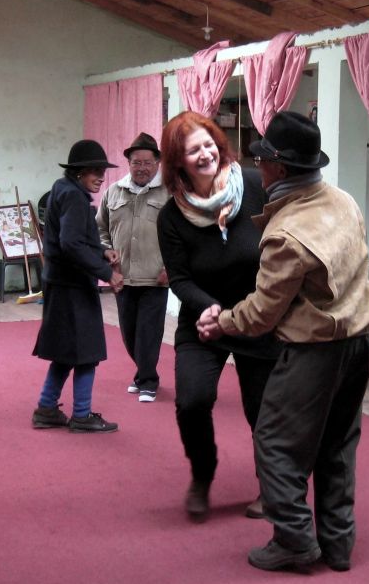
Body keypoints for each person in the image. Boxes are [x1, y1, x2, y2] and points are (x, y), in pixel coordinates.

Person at [197, 111, 369, 572]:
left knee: (276, 443)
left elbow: (262, 313)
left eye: (262, 162)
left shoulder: (285, 234)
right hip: (359, 342)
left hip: (313, 351)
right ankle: (338, 545)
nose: (258, 169)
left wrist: (224, 323)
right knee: (337, 444)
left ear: (276, 169)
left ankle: (295, 540)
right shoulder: (342, 201)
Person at [156, 111, 280, 522]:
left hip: (259, 317)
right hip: (205, 319)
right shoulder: (171, 216)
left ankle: (272, 486)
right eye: (194, 150)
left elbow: (283, 247)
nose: (206, 153)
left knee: (263, 409)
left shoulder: (256, 187)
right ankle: (202, 474)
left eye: (209, 143)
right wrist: (207, 307)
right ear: (178, 163)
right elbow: (179, 277)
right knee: (192, 401)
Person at [31, 140, 123, 433]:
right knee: (87, 351)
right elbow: (71, 243)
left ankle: (47, 408)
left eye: (101, 171)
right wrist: (106, 273)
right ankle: (81, 415)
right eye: (94, 171)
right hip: (72, 285)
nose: (100, 176)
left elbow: (72, 240)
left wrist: (100, 251)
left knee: (65, 350)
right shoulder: (73, 197)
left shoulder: (63, 189)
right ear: (78, 172)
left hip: (61, 282)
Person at [97, 132, 170, 403]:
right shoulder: (113, 192)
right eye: (136, 162)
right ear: (128, 163)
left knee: (149, 332)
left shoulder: (171, 193)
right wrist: (106, 250)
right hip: (122, 276)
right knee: (129, 332)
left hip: (156, 276)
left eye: (147, 163)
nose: (141, 168)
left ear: (158, 164)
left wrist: (171, 267)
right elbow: (100, 229)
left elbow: (182, 235)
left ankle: (148, 381)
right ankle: (142, 374)